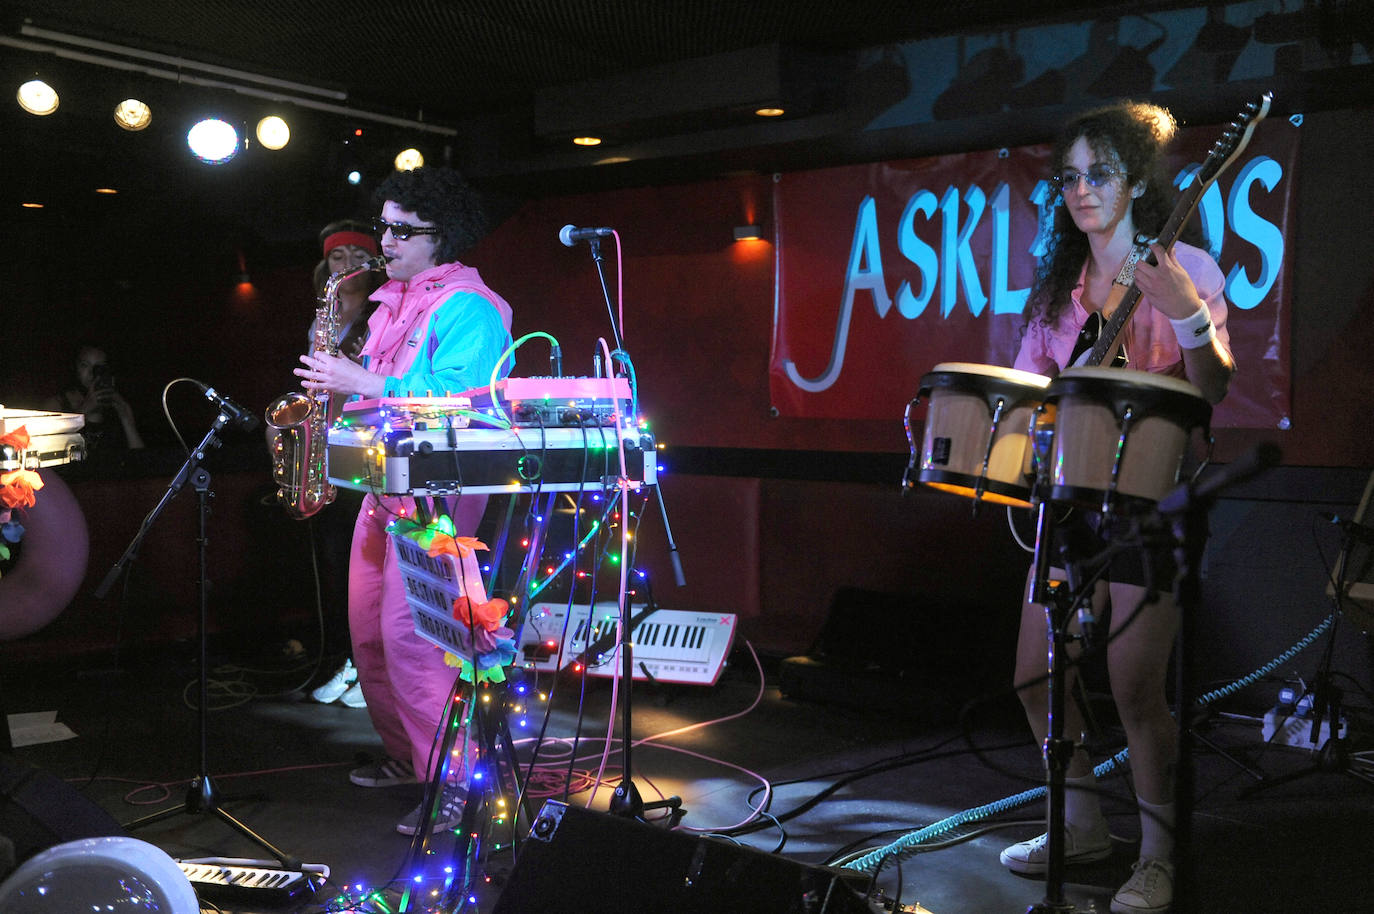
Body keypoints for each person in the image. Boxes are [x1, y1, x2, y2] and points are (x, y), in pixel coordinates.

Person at [1005, 100, 1236, 914]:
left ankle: (1158, 856)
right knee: (1035, 676)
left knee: (1135, 687)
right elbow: (1028, 397)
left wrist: (1184, 308)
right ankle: (1080, 828)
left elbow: (1214, 388)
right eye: (1068, 177)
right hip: (1071, 501)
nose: (1081, 190)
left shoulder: (1188, 266)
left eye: (1098, 173)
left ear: (1137, 179)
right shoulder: (1056, 293)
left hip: (1153, 500)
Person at [294, 166, 514, 835]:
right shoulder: (392, 301)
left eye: (402, 231)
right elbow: (373, 390)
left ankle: (455, 785)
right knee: (367, 631)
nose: (384, 241)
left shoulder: (471, 307)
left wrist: (364, 380)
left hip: (439, 490)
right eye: (384, 226)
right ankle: (410, 758)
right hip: (384, 481)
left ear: (441, 236)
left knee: (416, 639)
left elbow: (465, 399)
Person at [302, 220, 384, 710]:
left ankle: (368, 666)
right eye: (338, 256)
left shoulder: (383, 313)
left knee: (365, 565)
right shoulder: (324, 316)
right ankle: (346, 658)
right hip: (328, 441)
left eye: (358, 255)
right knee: (335, 563)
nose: (348, 264)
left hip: (365, 442)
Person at [48, 346, 145, 452]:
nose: (91, 373)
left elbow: (138, 455)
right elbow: (50, 448)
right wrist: (83, 410)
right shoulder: (58, 403)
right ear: (75, 367)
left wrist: (124, 415)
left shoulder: (117, 404)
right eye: (85, 365)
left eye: (99, 367)